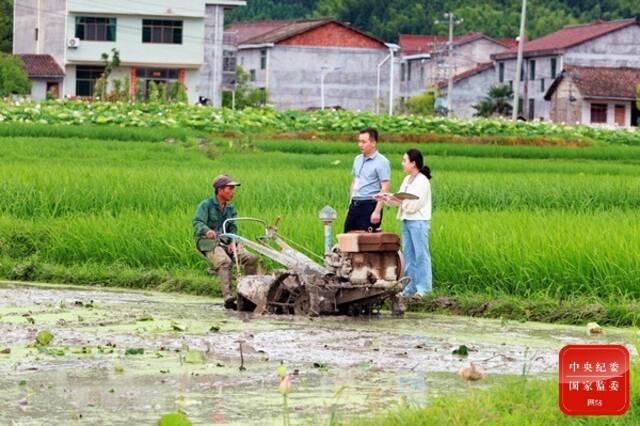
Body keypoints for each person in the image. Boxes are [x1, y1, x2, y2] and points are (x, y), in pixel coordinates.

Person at [193, 175, 258, 309]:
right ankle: (228, 297)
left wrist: (232, 242)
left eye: (233, 189)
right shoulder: (206, 205)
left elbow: (233, 228)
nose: (233, 192)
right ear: (220, 190)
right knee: (225, 261)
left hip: (225, 241)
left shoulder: (231, 209)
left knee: (251, 258)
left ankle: (248, 294)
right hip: (208, 241)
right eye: (230, 189)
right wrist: (207, 231)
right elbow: (197, 222)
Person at [377, 149, 432, 298]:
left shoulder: (422, 181)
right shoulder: (407, 180)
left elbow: (414, 205)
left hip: (418, 222)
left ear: (413, 163)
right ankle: (409, 289)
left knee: (421, 255)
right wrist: (386, 198)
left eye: (404, 160)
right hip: (406, 221)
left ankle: (424, 289)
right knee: (409, 255)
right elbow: (400, 200)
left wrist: (400, 200)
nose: (402, 163)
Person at [344, 128, 391, 233]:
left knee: (366, 242)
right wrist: (350, 205)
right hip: (355, 205)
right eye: (359, 141)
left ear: (373, 143)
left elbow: (385, 187)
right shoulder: (357, 159)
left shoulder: (382, 162)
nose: (360, 145)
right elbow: (354, 182)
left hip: (369, 206)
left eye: (364, 142)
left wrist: (377, 211)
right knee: (348, 239)